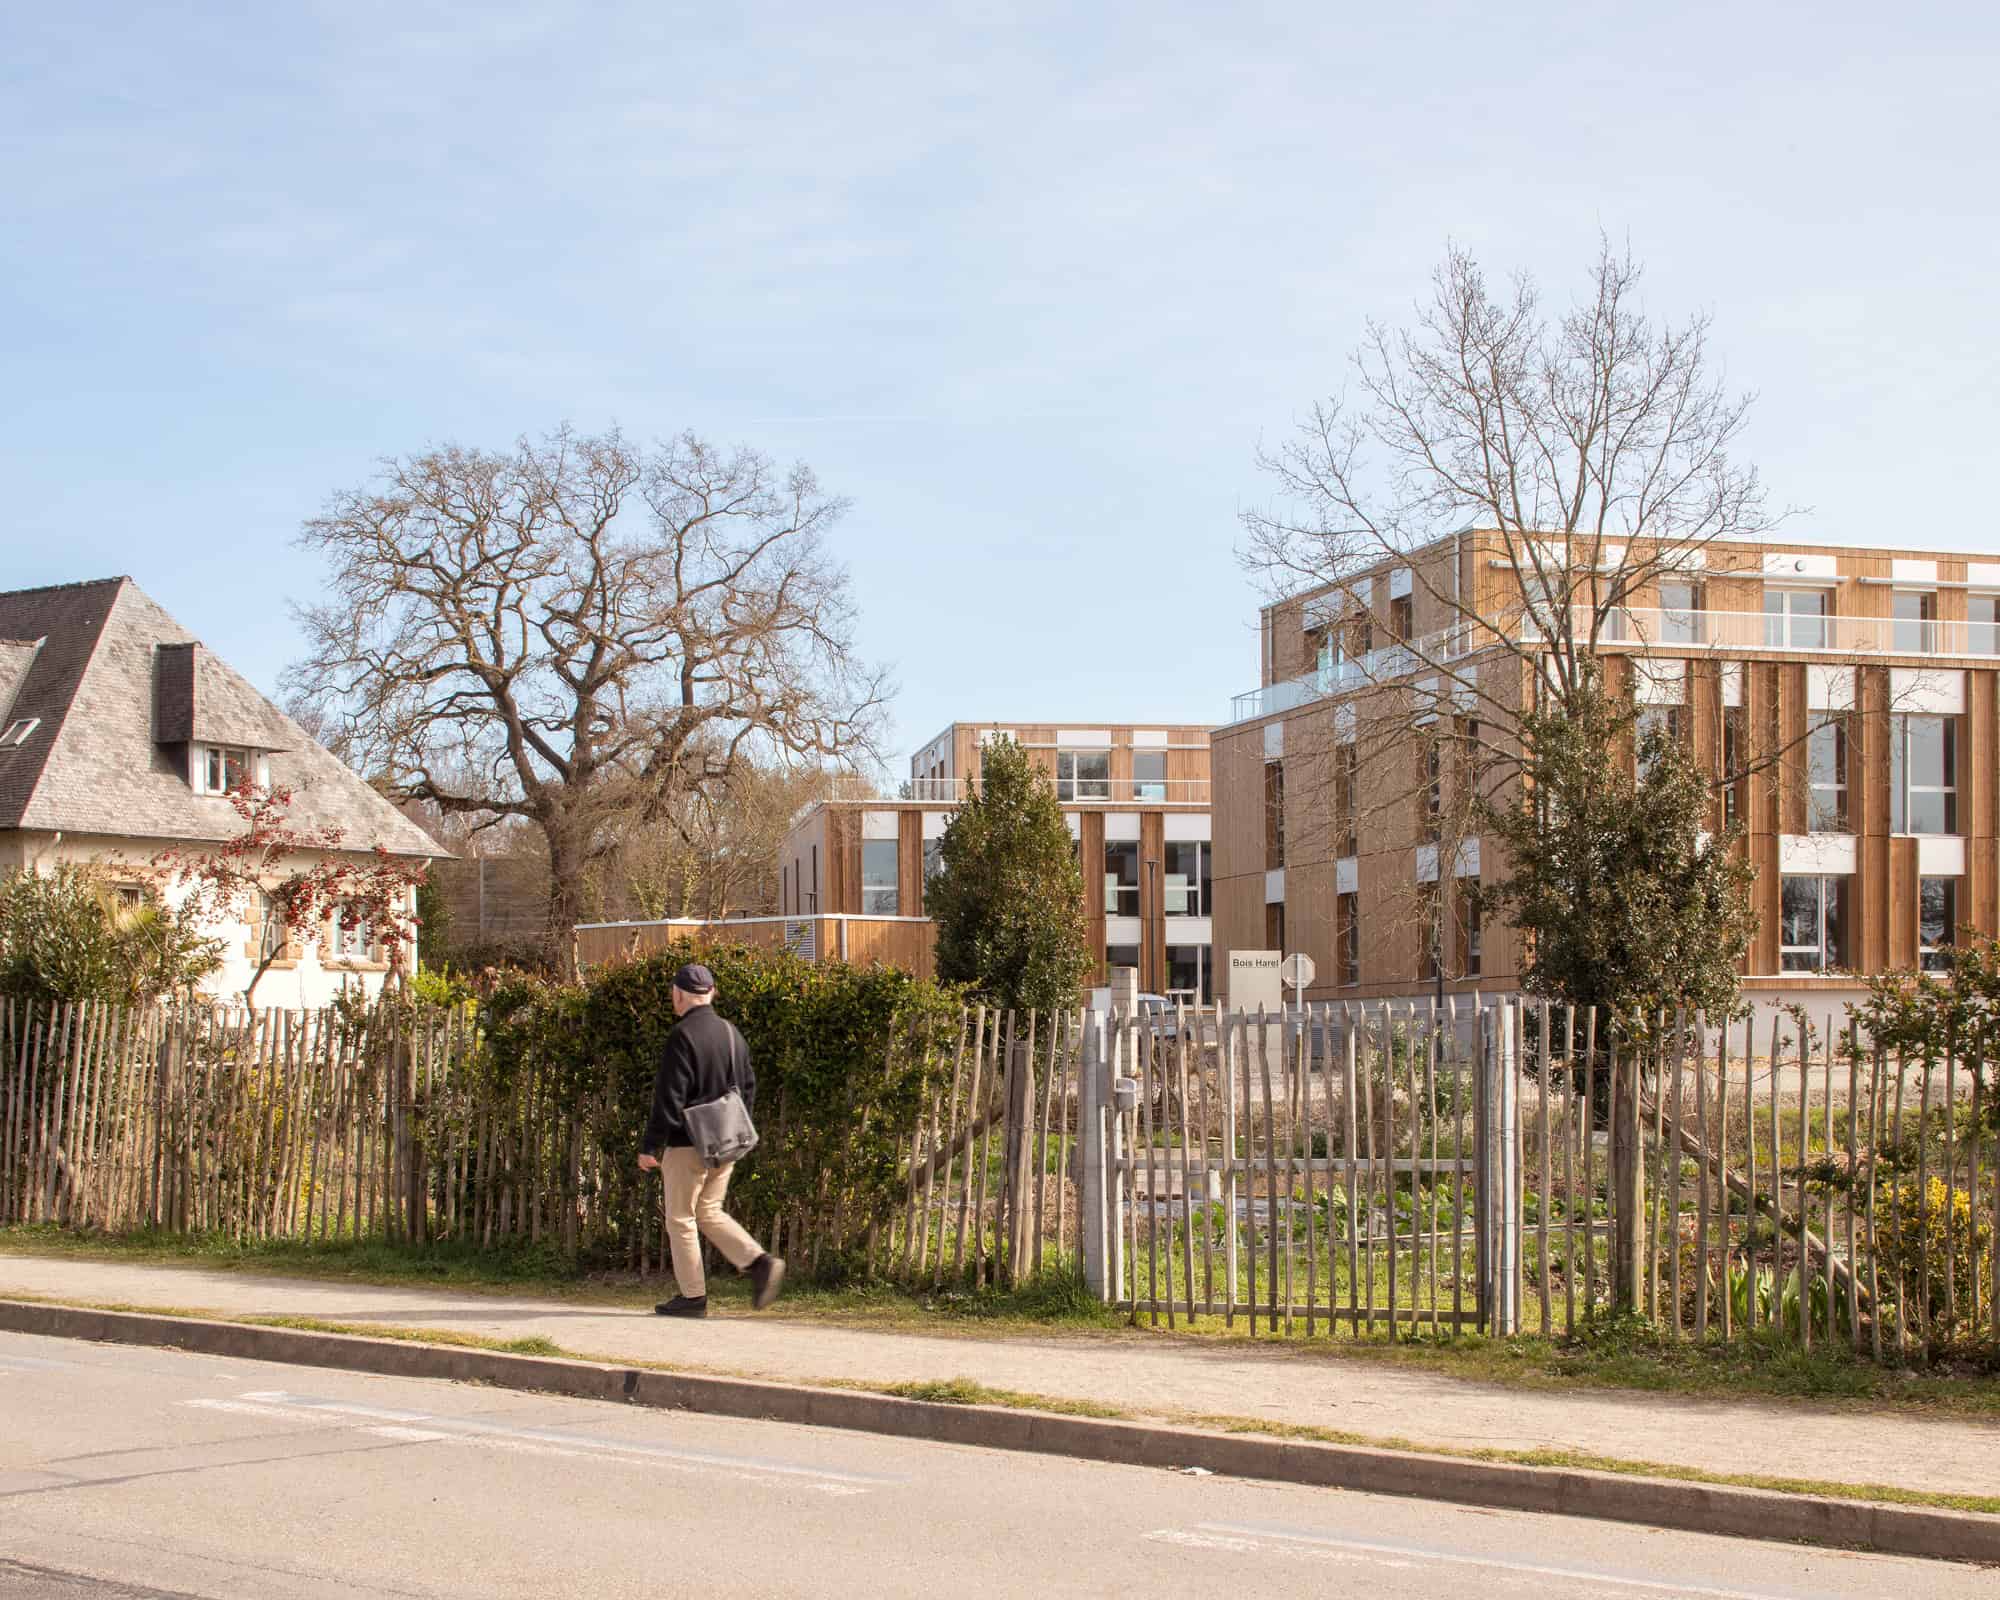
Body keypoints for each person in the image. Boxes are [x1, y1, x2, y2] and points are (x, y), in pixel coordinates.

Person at [636, 962, 786, 1317]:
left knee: (681, 1218)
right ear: (712, 993)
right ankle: (759, 1262)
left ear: (678, 995)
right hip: (726, 1140)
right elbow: (748, 1087)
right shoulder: (731, 1033)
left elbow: (669, 1097)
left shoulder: (682, 1036)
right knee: (708, 1210)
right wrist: (734, 1127)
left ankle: (692, 1298)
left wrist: (649, 1145)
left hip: (687, 1142)